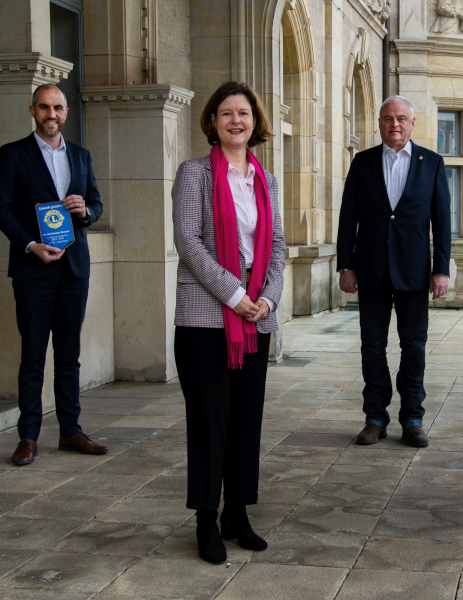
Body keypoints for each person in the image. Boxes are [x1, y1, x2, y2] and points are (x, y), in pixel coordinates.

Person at [171, 82, 286, 564]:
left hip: (254, 321)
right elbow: (189, 242)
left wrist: (266, 299)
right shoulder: (194, 173)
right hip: (204, 321)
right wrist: (237, 295)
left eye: (243, 113)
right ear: (212, 122)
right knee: (209, 424)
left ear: (255, 122)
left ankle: (237, 514)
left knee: (244, 423)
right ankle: (206, 521)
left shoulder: (267, 179)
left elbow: (277, 244)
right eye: (225, 113)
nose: (235, 121)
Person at [0, 84, 108, 467]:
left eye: (57, 107)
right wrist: (30, 245)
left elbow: (96, 202)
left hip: (74, 269)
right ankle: (28, 437)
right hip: (33, 269)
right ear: (33, 110)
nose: (51, 114)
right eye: (44, 107)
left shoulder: (81, 155)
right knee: (33, 355)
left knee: (69, 355)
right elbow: (0, 209)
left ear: (66, 112)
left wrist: (85, 211)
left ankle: (70, 430)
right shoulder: (13, 154)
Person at [336, 95, 451, 449]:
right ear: (379, 123)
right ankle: (375, 418)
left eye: (401, 118)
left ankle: (413, 418)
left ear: (413, 123)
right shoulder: (363, 162)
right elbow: (347, 219)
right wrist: (345, 264)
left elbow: (442, 222)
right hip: (370, 270)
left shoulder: (431, 163)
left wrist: (441, 269)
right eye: (388, 118)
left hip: (415, 272)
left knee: (413, 346)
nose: (395, 124)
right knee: (372, 346)